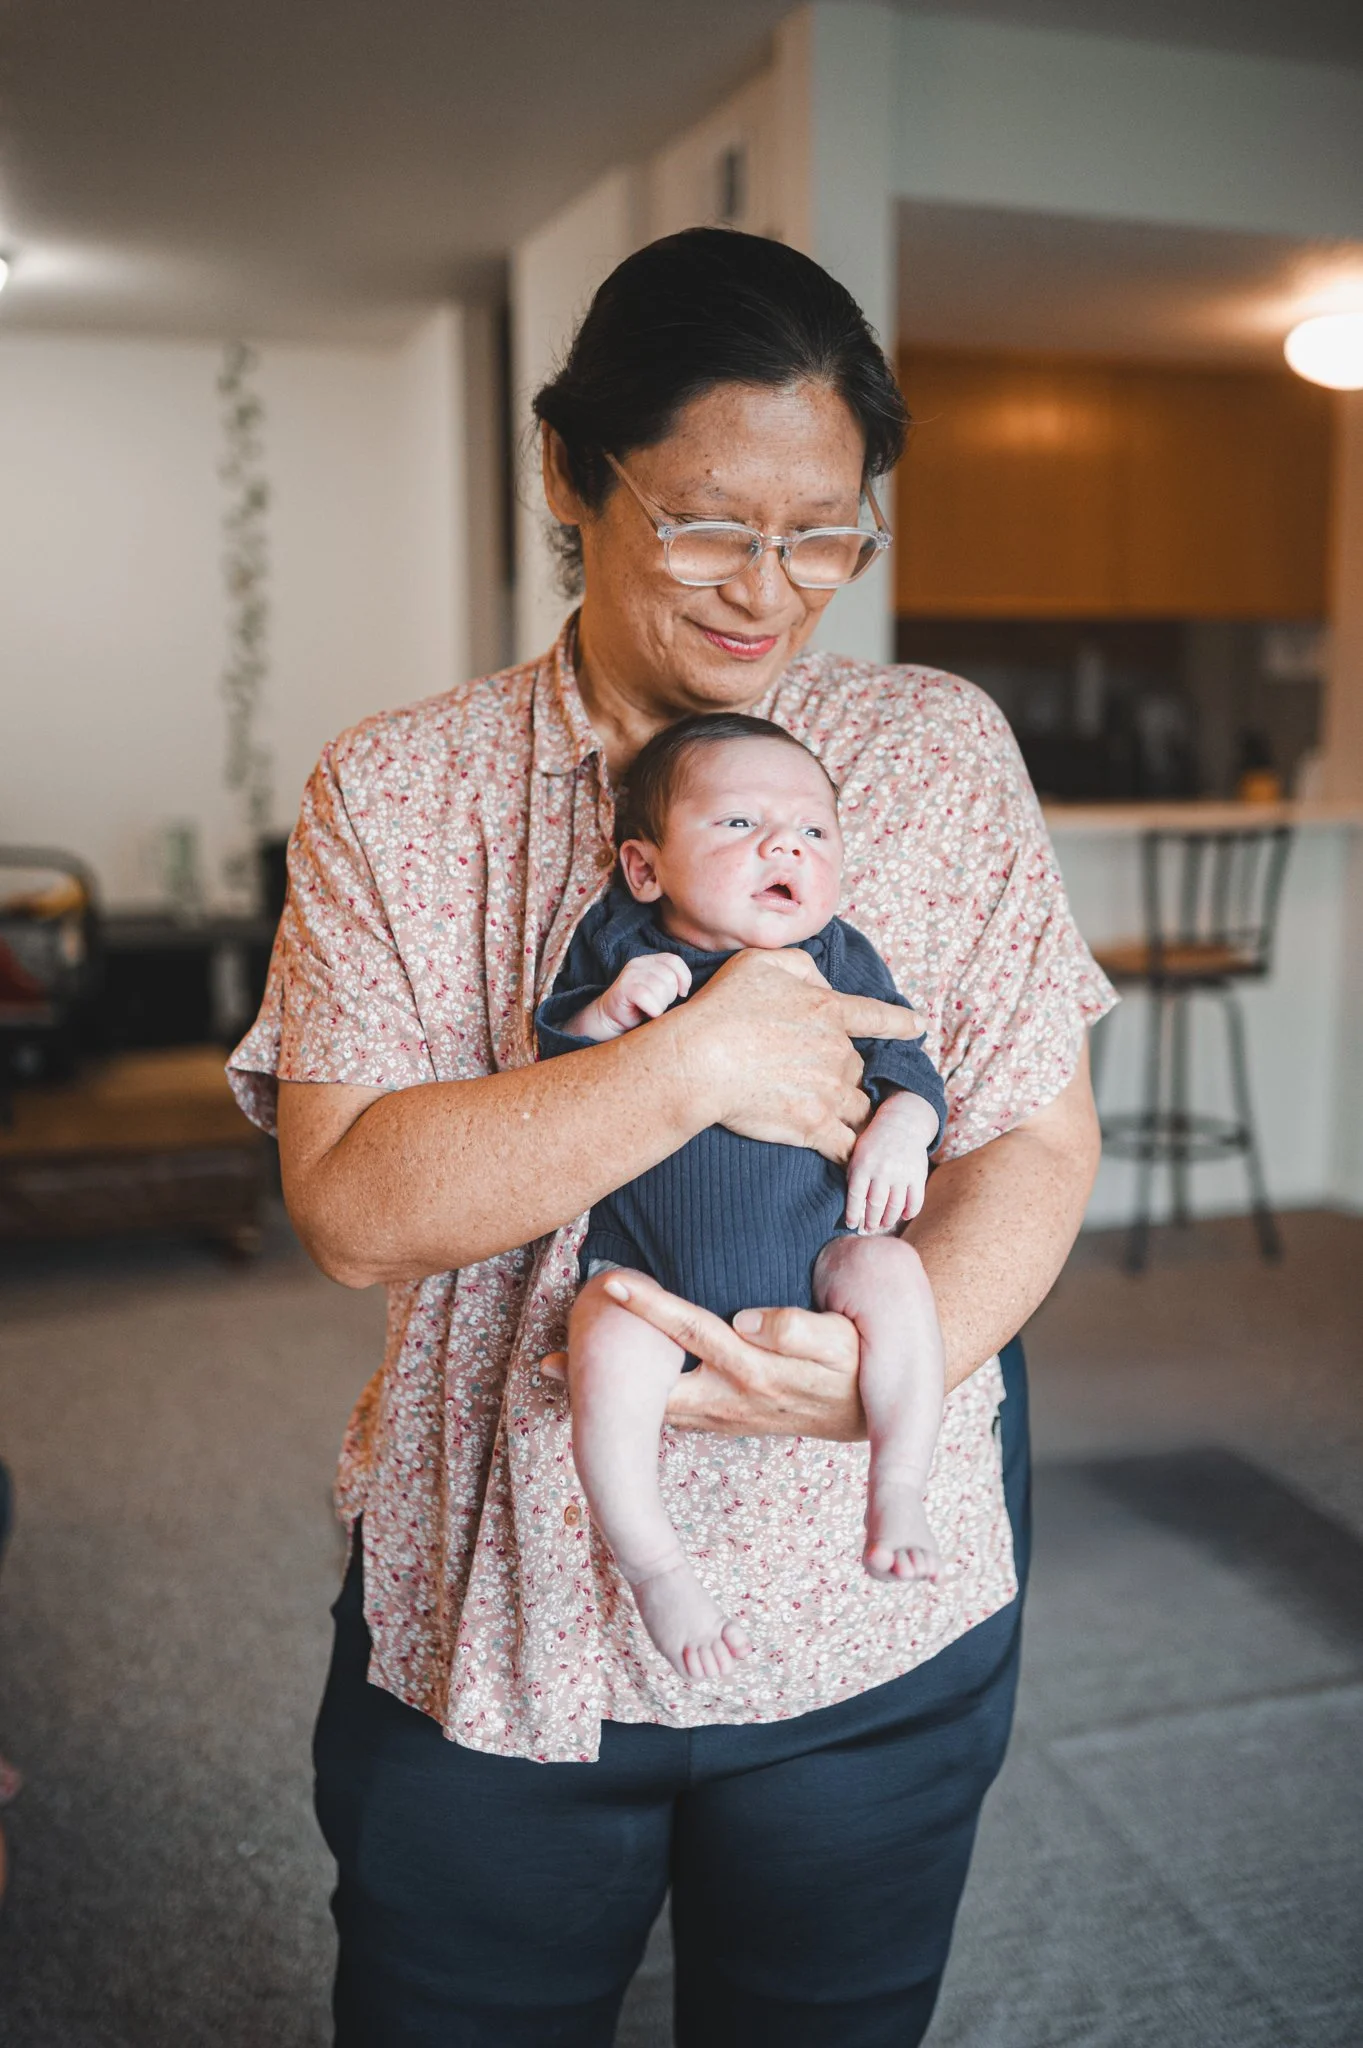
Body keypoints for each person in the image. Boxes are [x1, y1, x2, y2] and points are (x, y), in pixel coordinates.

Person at [229, 226, 1114, 2046]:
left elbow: (1030, 1138)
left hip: (870, 1601)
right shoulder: (399, 790)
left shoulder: (934, 753)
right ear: (571, 471)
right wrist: (695, 1060)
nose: (766, 592)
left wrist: (889, 1356)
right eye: (708, 525)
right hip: (500, 1612)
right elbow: (353, 1206)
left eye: (823, 535)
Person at [539, 712, 948, 1682]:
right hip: (647, 1272)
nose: (784, 847)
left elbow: (906, 1062)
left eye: (812, 830)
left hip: (818, 1255)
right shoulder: (620, 943)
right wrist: (607, 1012)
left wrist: (903, 1126)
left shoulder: (837, 955)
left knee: (891, 1270)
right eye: (737, 824)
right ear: (645, 868)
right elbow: (552, 1069)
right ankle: (654, 1564)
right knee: (608, 1338)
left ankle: (898, 1481)